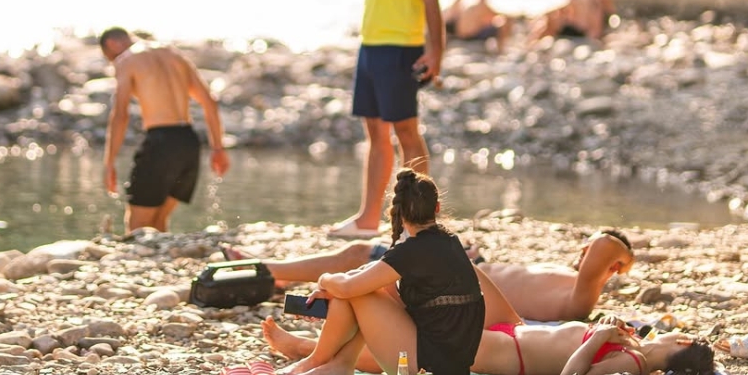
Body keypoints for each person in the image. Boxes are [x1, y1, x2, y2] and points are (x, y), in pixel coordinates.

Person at [263, 263, 715, 375]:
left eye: (683, 338)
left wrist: (597, 335)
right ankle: (327, 328)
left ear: (681, 351)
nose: (677, 332)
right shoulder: (636, 342)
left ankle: (308, 347)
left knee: (403, 331)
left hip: (506, 354)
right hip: (513, 327)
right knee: (460, 265)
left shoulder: (633, 367)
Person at [275, 169, 484, 375]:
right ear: (437, 208)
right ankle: (341, 365)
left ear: (398, 213)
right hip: (453, 366)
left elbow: (348, 288)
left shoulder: (412, 251)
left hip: (428, 369)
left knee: (356, 288)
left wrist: (324, 280)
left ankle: (317, 360)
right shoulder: (448, 241)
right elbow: (385, 289)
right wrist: (338, 287)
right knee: (360, 281)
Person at [330, 0, 445, 239]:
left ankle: (421, 220)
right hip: (372, 47)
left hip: (401, 47)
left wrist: (436, 49)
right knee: (375, 133)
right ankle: (367, 219)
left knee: (406, 132)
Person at [225, 229, 634, 322]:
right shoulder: (568, 280)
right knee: (360, 254)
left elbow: (604, 244)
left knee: (358, 256)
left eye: (592, 256)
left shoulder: (581, 299)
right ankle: (273, 272)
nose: (584, 252)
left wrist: (623, 258)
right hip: (454, 270)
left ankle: (269, 271)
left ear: (610, 269)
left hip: (443, 281)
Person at [100, 27, 230, 233]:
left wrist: (109, 163)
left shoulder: (126, 60)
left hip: (160, 142)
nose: (112, 61)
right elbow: (209, 102)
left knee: (137, 227)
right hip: (189, 142)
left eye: (108, 57)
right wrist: (218, 148)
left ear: (112, 44)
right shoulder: (174, 54)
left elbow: (120, 115)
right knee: (159, 222)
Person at [442, 0, 512, 52]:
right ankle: (500, 49)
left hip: (458, 32)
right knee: (502, 22)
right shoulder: (479, 1)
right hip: (472, 34)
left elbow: (450, 14)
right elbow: (495, 15)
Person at [528, 0, 604, 43]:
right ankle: (536, 41)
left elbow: (558, 10)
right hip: (583, 30)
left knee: (549, 20)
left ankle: (534, 42)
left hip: (578, 30)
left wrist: (539, 17)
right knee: (550, 20)